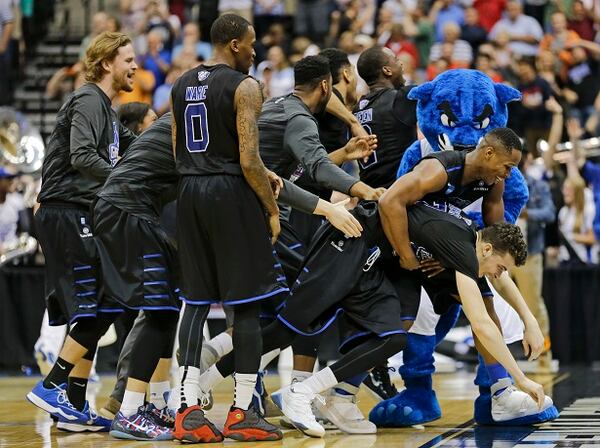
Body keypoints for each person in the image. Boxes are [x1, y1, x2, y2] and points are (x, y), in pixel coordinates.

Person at [192, 129, 550, 438]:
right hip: (356, 241)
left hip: (391, 262)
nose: (510, 172)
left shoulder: (479, 220)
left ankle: (319, 395)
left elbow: (495, 272)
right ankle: (202, 381)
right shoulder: (440, 172)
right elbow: (391, 200)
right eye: (508, 164)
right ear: (488, 152)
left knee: (393, 335)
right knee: (288, 329)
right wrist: (408, 255)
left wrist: (529, 320)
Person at [170, 14, 286, 443]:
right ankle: (240, 412)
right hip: (229, 195)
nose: (255, 52)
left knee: (196, 301)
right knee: (249, 304)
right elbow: (248, 159)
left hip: (189, 191)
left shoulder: (180, 85)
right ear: (235, 44)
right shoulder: (245, 86)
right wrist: (271, 209)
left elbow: (177, 146)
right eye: (252, 44)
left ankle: (185, 411)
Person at [26, 31, 138, 432]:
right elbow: (82, 156)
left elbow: (137, 149)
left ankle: (72, 403)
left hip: (75, 212)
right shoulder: (90, 99)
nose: (135, 66)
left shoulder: (107, 109)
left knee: (101, 306)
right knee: (95, 307)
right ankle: (53, 383)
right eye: (128, 59)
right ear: (107, 62)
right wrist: (126, 183)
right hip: (67, 211)